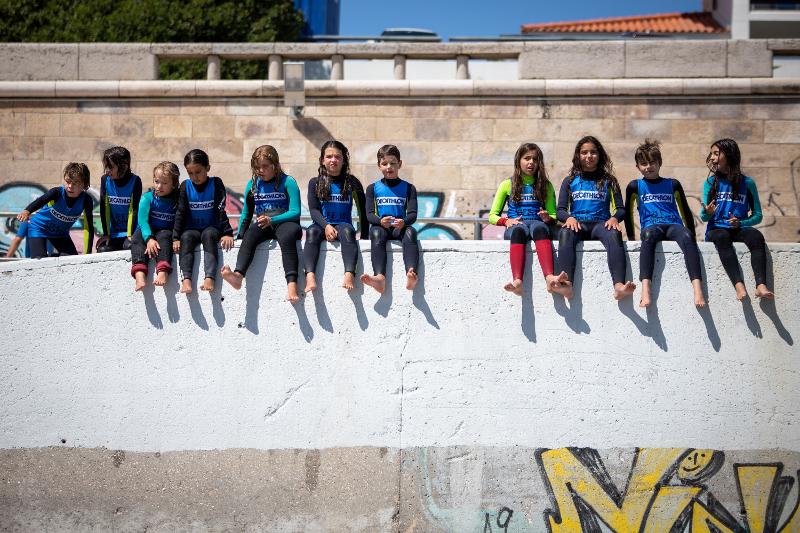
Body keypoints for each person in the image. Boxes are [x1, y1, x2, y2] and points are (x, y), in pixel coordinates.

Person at [624, 139, 705, 308]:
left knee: (686, 235)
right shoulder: (635, 186)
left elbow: (685, 211)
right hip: (652, 226)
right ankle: (645, 289)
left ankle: (697, 289)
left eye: (652, 162)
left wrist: (692, 235)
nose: (648, 167)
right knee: (648, 235)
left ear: (659, 162)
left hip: (673, 224)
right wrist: (631, 237)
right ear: (638, 166)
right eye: (643, 163)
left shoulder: (672, 184)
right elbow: (628, 213)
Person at [557, 135, 636, 300]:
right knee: (564, 233)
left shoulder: (609, 180)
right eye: (584, 152)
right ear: (578, 155)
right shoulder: (570, 180)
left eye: (593, 152)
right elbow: (561, 210)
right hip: (578, 224)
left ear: (599, 155)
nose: (589, 156)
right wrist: (569, 218)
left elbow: (620, 209)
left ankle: (619, 286)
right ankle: (566, 285)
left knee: (614, 235)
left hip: (601, 224)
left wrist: (614, 218)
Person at [220, 145, 303, 302]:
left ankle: (292, 284)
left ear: (275, 165)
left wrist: (273, 219)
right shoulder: (252, 184)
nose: (260, 170)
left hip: (287, 222)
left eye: (265, 166)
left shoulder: (288, 182)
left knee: (287, 237)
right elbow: (246, 213)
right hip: (264, 223)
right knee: (250, 234)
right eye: (257, 167)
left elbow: (295, 211)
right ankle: (238, 275)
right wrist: (240, 236)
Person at [488, 142, 570, 296]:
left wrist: (547, 218)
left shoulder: (546, 185)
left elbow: (553, 215)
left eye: (535, 159)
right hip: (516, 226)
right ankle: (517, 281)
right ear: (518, 161)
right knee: (519, 230)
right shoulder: (507, 184)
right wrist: (506, 221)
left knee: (539, 228)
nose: (531, 162)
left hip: (538, 225)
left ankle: (549, 277)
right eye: (527, 158)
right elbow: (492, 216)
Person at [700, 138, 773, 301]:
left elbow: (758, 215)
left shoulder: (747, 183)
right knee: (722, 236)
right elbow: (703, 216)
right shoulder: (710, 182)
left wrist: (741, 223)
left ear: (729, 155)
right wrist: (709, 212)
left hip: (738, 228)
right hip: (716, 229)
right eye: (711, 154)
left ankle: (761, 285)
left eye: (716, 153)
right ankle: (739, 286)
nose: (712, 158)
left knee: (756, 236)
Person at [303, 140, 368, 293]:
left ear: (344, 160)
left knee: (348, 232)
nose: (333, 160)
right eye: (329, 156)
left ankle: (349, 273)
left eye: (337, 157)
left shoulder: (352, 182)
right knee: (311, 232)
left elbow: (362, 211)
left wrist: (365, 236)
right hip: (321, 225)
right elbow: (313, 210)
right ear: (322, 160)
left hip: (342, 225)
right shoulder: (315, 182)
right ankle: (310, 275)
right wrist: (326, 225)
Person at [173, 149, 234, 294]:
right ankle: (186, 279)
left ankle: (210, 277)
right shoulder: (185, 186)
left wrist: (227, 233)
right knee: (186, 237)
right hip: (192, 229)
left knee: (209, 235)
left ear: (207, 168)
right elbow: (180, 213)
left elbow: (221, 209)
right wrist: (175, 237)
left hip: (212, 227)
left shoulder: (216, 183)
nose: (195, 177)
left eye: (198, 172)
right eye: (190, 173)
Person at [361, 144, 419, 294]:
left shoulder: (409, 188)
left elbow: (412, 214)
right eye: (385, 163)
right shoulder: (372, 188)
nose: (389, 167)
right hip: (382, 227)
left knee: (411, 233)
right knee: (376, 233)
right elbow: (369, 214)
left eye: (393, 163)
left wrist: (404, 222)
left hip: (399, 228)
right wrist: (380, 221)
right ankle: (379, 278)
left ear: (400, 164)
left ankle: (411, 273)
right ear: (379, 166)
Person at [17, 163, 94, 258]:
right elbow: (40, 201)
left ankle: (53, 257)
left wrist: (88, 252)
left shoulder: (86, 200)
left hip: (61, 234)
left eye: (75, 183)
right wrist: (26, 211)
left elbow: (89, 227)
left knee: (72, 259)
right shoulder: (56, 193)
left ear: (84, 184)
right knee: (39, 261)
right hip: (39, 228)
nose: (70, 186)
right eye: (68, 181)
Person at [130, 162, 180, 291]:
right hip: (147, 232)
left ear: (174, 184)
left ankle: (163, 271)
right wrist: (149, 239)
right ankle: (139, 275)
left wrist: (176, 238)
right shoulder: (147, 198)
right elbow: (142, 221)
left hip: (164, 231)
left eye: (164, 183)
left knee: (165, 236)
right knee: (136, 238)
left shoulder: (177, 201)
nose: (159, 186)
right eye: (157, 181)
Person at [96, 146, 142, 253]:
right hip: (114, 232)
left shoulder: (135, 181)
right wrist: (106, 234)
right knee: (103, 249)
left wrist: (130, 234)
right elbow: (104, 208)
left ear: (123, 167)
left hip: (132, 231)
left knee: (129, 246)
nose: (107, 170)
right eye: (106, 167)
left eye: (111, 167)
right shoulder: (105, 180)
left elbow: (133, 210)